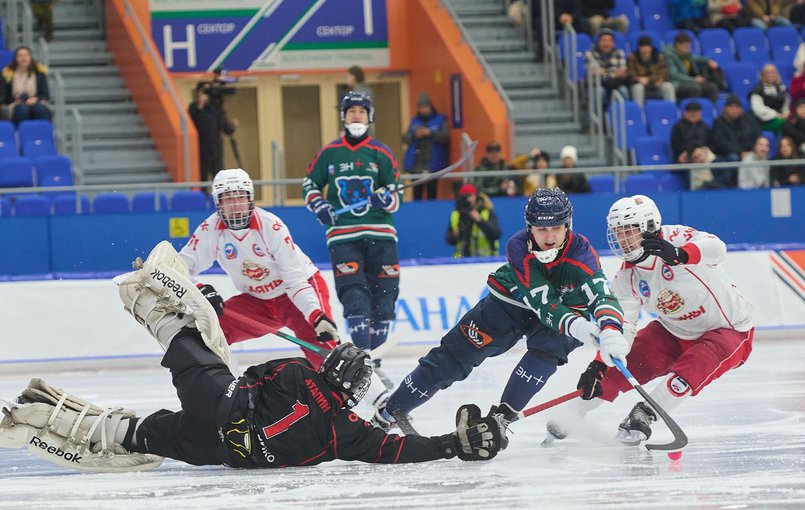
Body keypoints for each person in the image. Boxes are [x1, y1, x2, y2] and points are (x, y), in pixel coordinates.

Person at [0, 242, 501, 472]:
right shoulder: (345, 433)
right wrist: (450, 446)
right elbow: (395, 452)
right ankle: (41, 421)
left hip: (217, 402)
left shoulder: (299, 371)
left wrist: (209, 317)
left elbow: (252, 375)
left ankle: (142, 297)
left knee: (186, 337)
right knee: (139, 433)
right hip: (218, 451)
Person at [373, 189, 629, 450]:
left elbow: (603, 297)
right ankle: (388, 412)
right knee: (452, 357)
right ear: (530, 228)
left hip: (564, 312)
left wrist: (611, 328)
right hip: (510, 302)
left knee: (550, 348)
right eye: (542, 229)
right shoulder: (517, 246)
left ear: (568, 226)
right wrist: (584, 329)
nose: (550, 236)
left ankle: (501, 418)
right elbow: (544, 303)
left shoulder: (582, 254)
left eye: (556, 227)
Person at [543, 195, 754, 447]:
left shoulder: (676, 237)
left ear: (649, 227)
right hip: (671, 331)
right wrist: (600, 364)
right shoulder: (626, 277)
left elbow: (717, 249)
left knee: (688, 371)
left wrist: (679, 255)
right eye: (617, 233)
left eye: (628, 231)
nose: (622, 240)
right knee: (623, 365)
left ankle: (645, 412)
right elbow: (624, 327)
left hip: (728, 330)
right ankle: (575, 411)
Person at [179, 168, 337, 369]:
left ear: (250, 199)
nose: (235, 206)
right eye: (228, 199)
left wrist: (315, 315)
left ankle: (375, 396)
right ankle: (226, 387)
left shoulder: (271, 226)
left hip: (295, 293)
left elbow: (295, 280)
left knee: (324, 345)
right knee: (209, 331)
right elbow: (180, 267)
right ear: (218, 203)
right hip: (258, 302)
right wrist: (200, 290)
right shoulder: (209, 230)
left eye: (240, 198)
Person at [302, 91, 401, 360]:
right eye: (351, 111)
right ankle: (363, 358)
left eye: (361, 111)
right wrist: (319, 205)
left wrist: (385, 198)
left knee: (385, 295)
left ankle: (376, 360)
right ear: (343, 116)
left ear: (369, 117)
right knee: (354, 295)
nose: (356, 115)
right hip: (343, 235)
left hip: (381, 233)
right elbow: (309, 184)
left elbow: (396, 194)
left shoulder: (381, 152)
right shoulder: (330, 152)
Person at [188, 76, 238, 185]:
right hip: (200, 149)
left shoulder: (216, 109)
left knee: (219, 178)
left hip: (216, 148)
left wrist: (232, 126)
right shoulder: (193, 107)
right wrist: (200, 106)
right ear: (198, 92)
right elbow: (189, 124)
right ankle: (202, 199)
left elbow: (226, 130)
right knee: (202, 178)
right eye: (205, 90)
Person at [402, 92, 450, 200]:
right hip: (417, 164)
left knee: (432, 193)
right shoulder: (414, 121)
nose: (423, 110)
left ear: (430, 106)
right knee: (417, 193)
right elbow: (405, 138)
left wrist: (430, 133)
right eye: (420, 107)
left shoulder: (440, 119)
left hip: (433, 163)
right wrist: (416, 134)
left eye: (425, 107)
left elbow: (446, 137)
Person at [711, 94, 760, 187]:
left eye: (737, 107)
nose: (734, 109)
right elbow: (721, 143)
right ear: (725, 108)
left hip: (749, 152)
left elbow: (757, 137)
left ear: (741, 109)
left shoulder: (749, 120)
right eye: (731, 106)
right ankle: (734, 186)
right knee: (733, 158)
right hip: (728, 154)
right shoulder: (719, 122)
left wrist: (749, 151)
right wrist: (740, 152)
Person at [445, 183, 501, 258]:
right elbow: (450, 240)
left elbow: (496, 234)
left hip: (486, 260)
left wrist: (480, 221)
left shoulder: (486, 212)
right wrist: (454, 235)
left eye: (469, 195)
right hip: (463, 260)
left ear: (476, 196)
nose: (467, 199)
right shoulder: (456, 214)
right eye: (463, 196)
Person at [664, 31, 722, 101]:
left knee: (712, 87)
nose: (688, 48)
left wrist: (709, 60)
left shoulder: (687, 53)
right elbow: (674, 75)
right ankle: (692, 109)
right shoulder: (670, 56)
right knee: (695, 89)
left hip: (692, 82)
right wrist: (693, 80)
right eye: (686, 46)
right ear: (678, 45)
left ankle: (713, 109)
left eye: (689, 46)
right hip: (678, 83)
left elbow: (697, 58)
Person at [1, 46, 51, 125]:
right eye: (20, 55)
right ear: (16, 58)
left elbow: (46, 95)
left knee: (39, 109)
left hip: (36, 103)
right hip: (15, 104)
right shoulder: (7, 74)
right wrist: (14, 101)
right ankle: (18, 134)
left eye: (26, 55)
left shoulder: (40, 74)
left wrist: (36, 99)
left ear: (30, 57)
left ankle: (44, 133)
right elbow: (3, 97)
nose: (23, 58)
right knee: (21, 109)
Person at [585, 29, 629, 110]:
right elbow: (593, 72)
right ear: (598, 42)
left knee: (624, 91)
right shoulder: (590, 54)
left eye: (609, 41)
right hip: (598, 85)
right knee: (599, 92)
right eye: (603, 40)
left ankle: (625, 118)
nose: (606, 43)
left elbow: (622, 72)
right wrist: (614, 73)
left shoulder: (619, 53)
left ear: (613, 43)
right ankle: (599, 121)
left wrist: (604, 72)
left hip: (616, 84)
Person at [627, 35, 676, 107]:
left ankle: (671, 110)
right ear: (639, 48)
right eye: (642, 46)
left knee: (668, 86)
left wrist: (649, 79)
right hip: (641, 87)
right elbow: (630, 73)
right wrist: (638, 79)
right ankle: (639, 113)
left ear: (651, 47)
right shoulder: (632, 57)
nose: (645, 49)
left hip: (656, 87)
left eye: (647, 46)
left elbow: (663, 73)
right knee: (638, 88)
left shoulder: (659, 57)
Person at [750, 64, 789, 137]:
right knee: (785, 124)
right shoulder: (757, 90)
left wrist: (786, 114)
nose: (770, 75)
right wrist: (777, 115)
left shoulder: (781, 88)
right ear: (762, 75)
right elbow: (759, 110)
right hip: (764, 121)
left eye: (772, 72)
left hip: (780, 117)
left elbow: (785, 104)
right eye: (767, 72)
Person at [670, 100, 713, 166]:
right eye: (690, 112)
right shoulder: (678, 127)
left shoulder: (705, 126)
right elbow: (676, 145)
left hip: (704, 154)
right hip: (685, 156)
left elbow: (711, 143)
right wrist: (693, 151)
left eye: (696, 112)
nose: (693, 114)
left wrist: (702, 150)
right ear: (685, 113)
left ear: (700, 113)